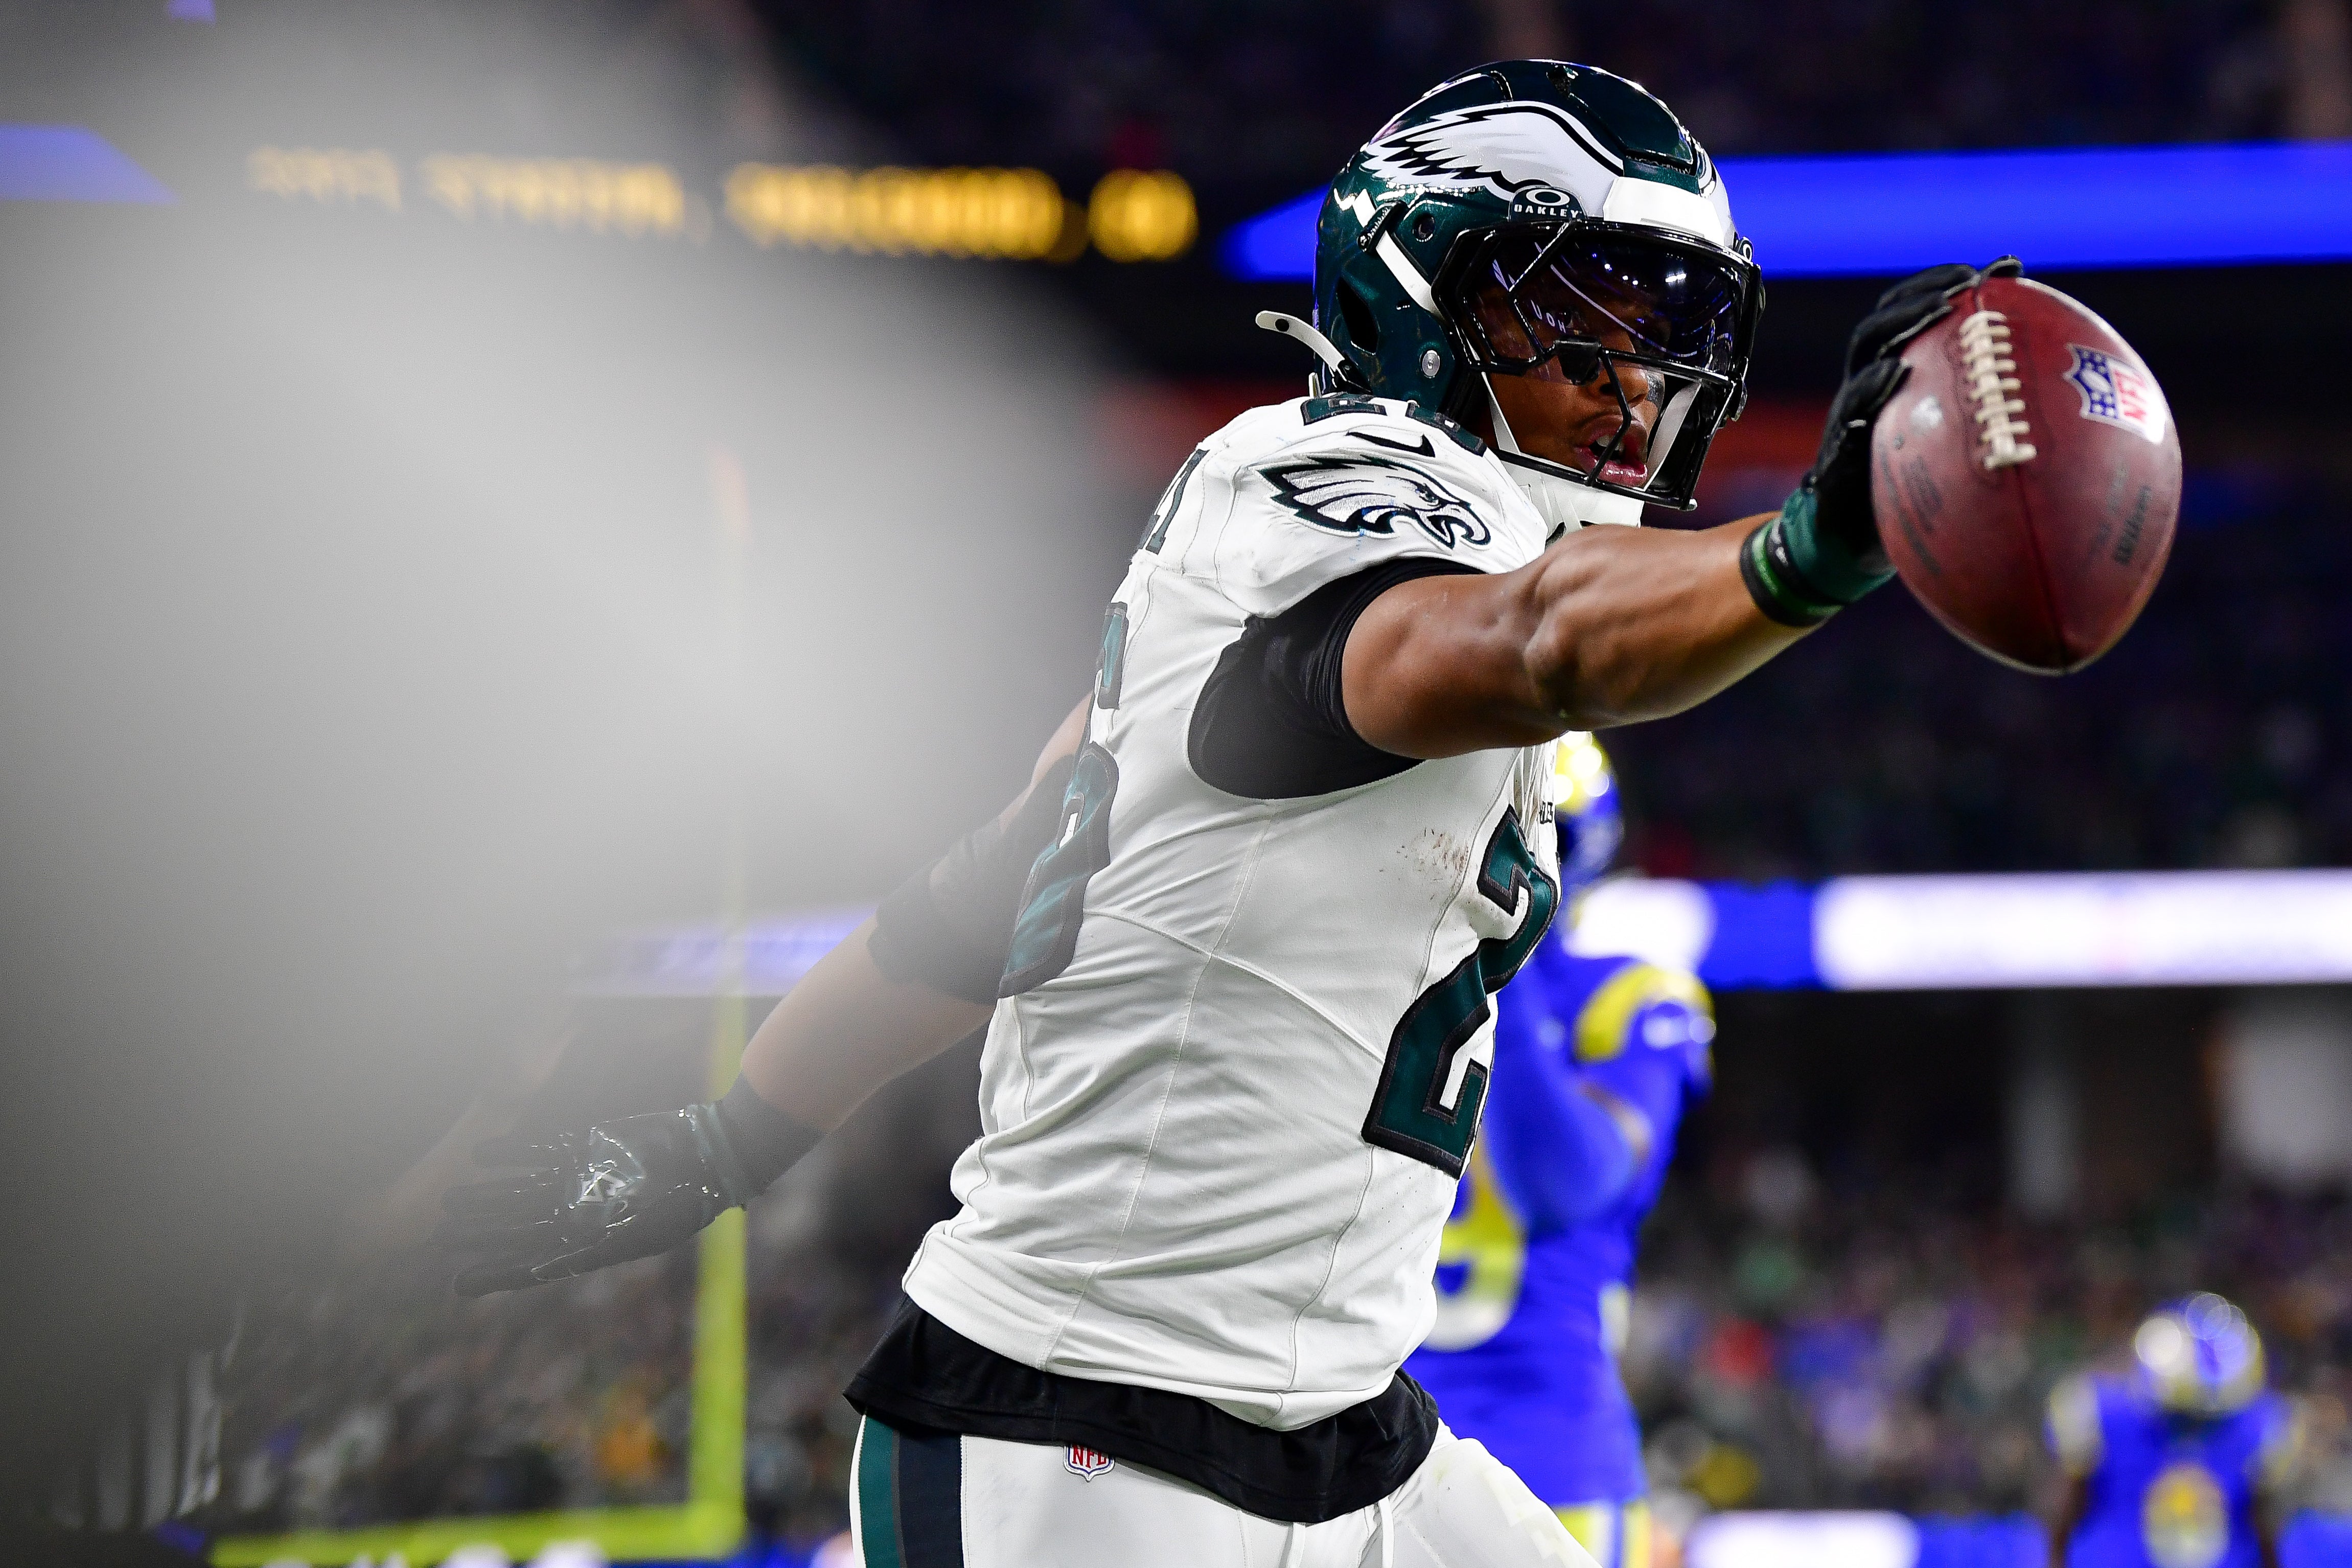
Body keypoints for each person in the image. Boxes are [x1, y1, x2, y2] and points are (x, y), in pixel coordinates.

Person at [445, 58, 1999, 1567]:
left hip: (1348, 1431)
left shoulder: (1397, 549)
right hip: (1079, 1432)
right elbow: (1524, 637)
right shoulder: (1326, 482)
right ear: (1422, 300)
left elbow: (1003, 881)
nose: (1628, 382)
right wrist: (1810, 546)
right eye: (1572, 315)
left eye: (1661, 329)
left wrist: (721, 1135)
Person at [1403, 734, 1711, 1568]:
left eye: (1533, 833)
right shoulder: (1373, 977)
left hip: (1549, 1456)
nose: (1501, 855)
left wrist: (1494, 955)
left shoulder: (1633, 995)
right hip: (1367, 1441)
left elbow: (1564, 1182)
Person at [2046, 1295, 2299, 1568]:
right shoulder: (2102, 1415)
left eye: (2212, 1419)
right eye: (2183, 1415)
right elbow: (2066, 1513)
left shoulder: (2258, 1426)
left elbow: (2266, 1527)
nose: (2194, 1430)